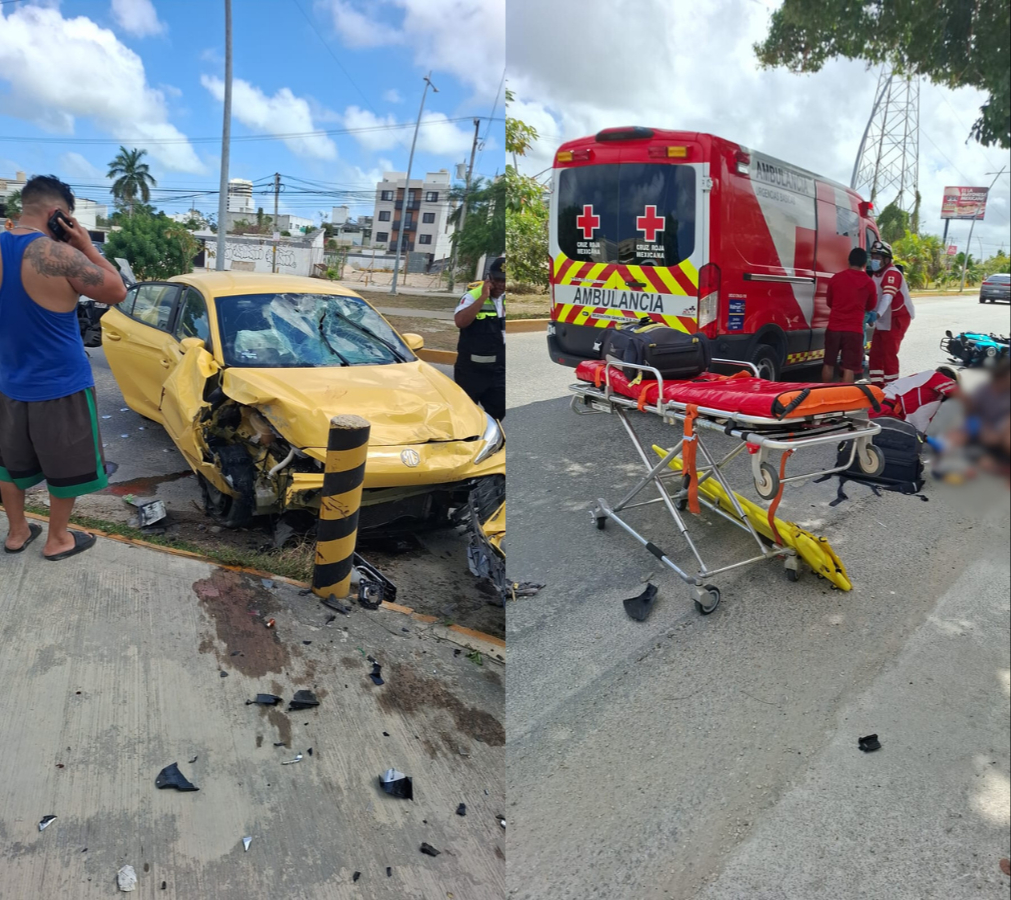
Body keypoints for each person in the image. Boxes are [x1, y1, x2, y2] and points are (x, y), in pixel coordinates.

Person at [0, 174, 127, 559]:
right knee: (66, 468)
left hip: (8, 383)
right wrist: (86, 244)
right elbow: (117, 289)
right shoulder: (59, 256)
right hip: (61, 385)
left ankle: (17, 532)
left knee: (8, 465)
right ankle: (58, 539)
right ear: (58, 215)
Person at [454, 255, 505, 421]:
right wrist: (483, 297)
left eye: (504, 281)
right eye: (497, 280)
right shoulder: (472, 296)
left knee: (498, 412)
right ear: (489, 278)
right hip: (471, 371)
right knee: (466, 416)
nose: (500, 285)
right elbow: (460, 322)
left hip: (497, 371)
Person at [821, 247, 877, 383]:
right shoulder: (869, 283)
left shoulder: (836, 278)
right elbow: (871, 306)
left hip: (834, 328)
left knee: (828, 364)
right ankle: (844, 400)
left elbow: (829, 302)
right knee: (849, 368)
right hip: (854, 331)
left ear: (848, 261)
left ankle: (822, 396)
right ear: (864, 264)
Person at [867, 239, 915, 387]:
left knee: (889, 354)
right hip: (884, 318)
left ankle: (892, 388)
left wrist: (877, 314)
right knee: (875, 354)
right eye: (873, 257)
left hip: (896, 317)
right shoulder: (877, 274)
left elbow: (887, 296)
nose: (874, 260)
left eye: (878, 258)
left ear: (886, 260)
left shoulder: (891, 274)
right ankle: (877, 387)